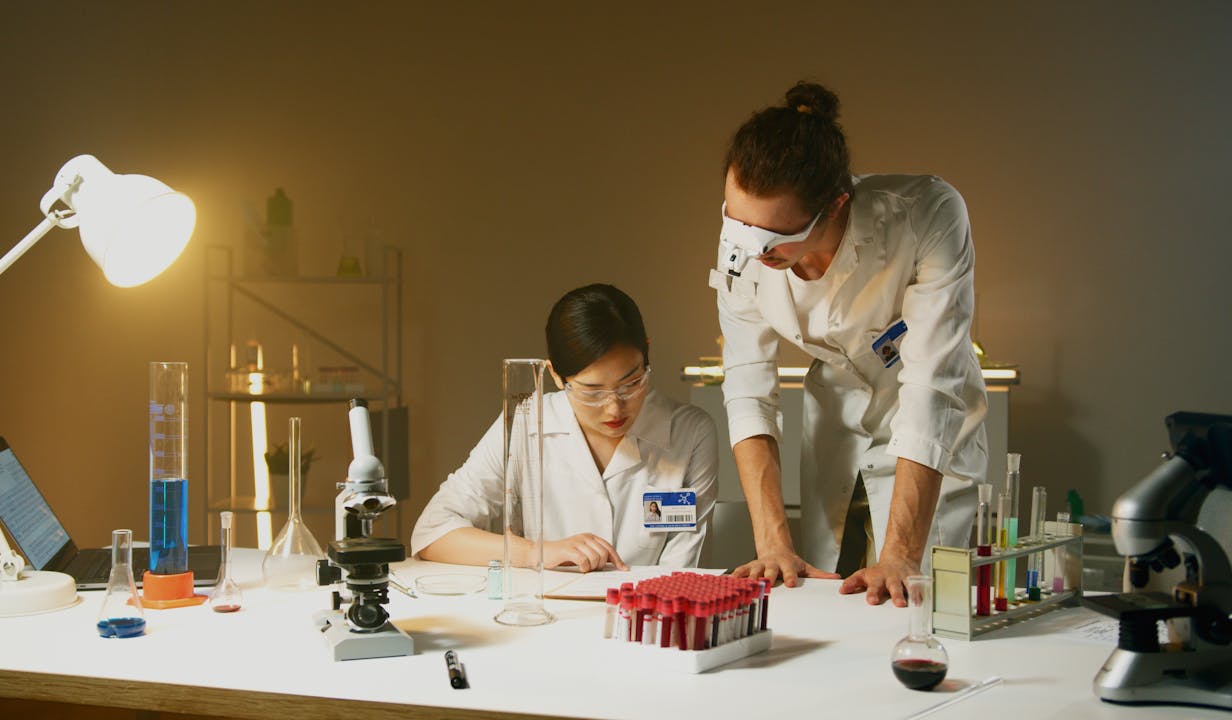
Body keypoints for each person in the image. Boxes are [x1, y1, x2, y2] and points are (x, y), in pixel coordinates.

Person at [709, 81, 988, 605]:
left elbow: (930, 386)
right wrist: (771, 543)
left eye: (771, 239)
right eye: (736, 224)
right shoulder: (749, 235)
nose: (750, 248)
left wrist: (901, 554)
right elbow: (749, 388)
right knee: (814, 597)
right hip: (833, 423)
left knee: (914, 603)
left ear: (835, 205)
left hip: (928, 429)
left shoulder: (925, 215)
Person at [413, 284, 718, 571]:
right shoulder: (526, 422)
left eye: (631, 383)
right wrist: (536, 552)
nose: (614, 407)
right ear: (556, 376)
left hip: (643, 619)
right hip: (548, 618)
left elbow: (681, 573)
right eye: (592, 391)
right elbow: (433, 532)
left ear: (646, 354)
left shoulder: (689, 433)